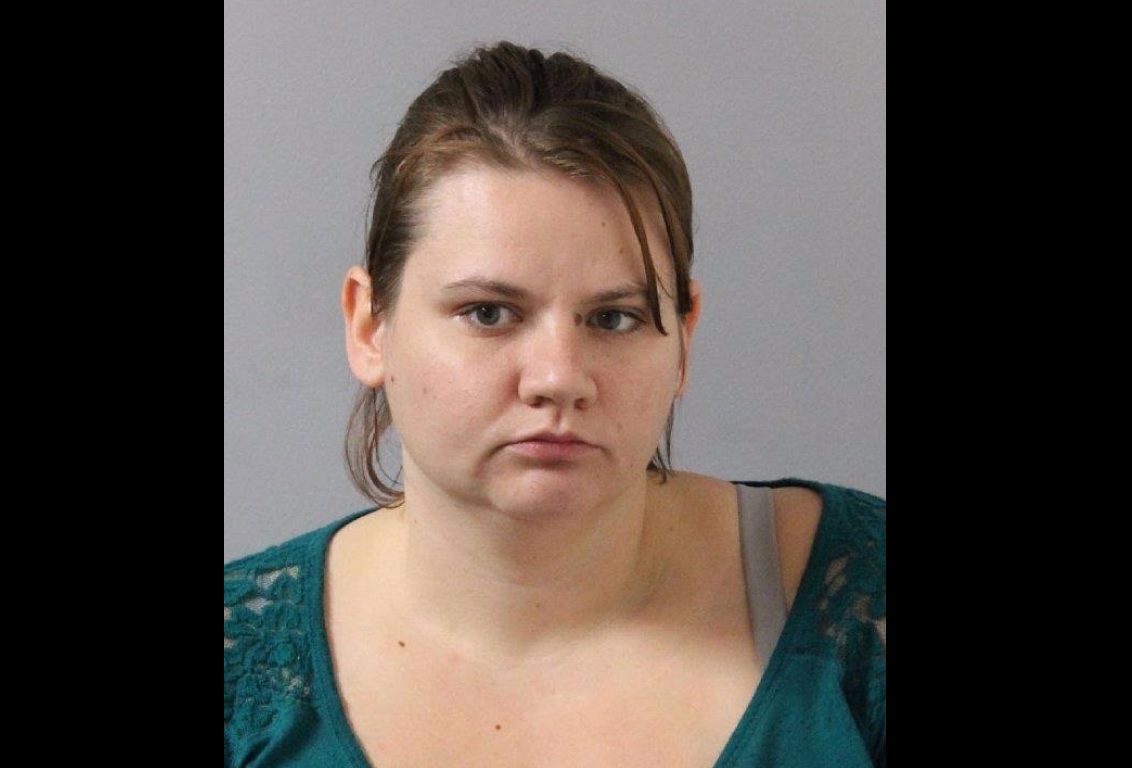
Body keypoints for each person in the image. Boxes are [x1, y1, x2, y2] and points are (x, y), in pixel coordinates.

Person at [224, 40, 885, 768]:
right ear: (368, 326)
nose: (559, 377)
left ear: (684, 340)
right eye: (488, 313)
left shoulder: (862, 606)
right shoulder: (239, 673)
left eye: (614, 318)